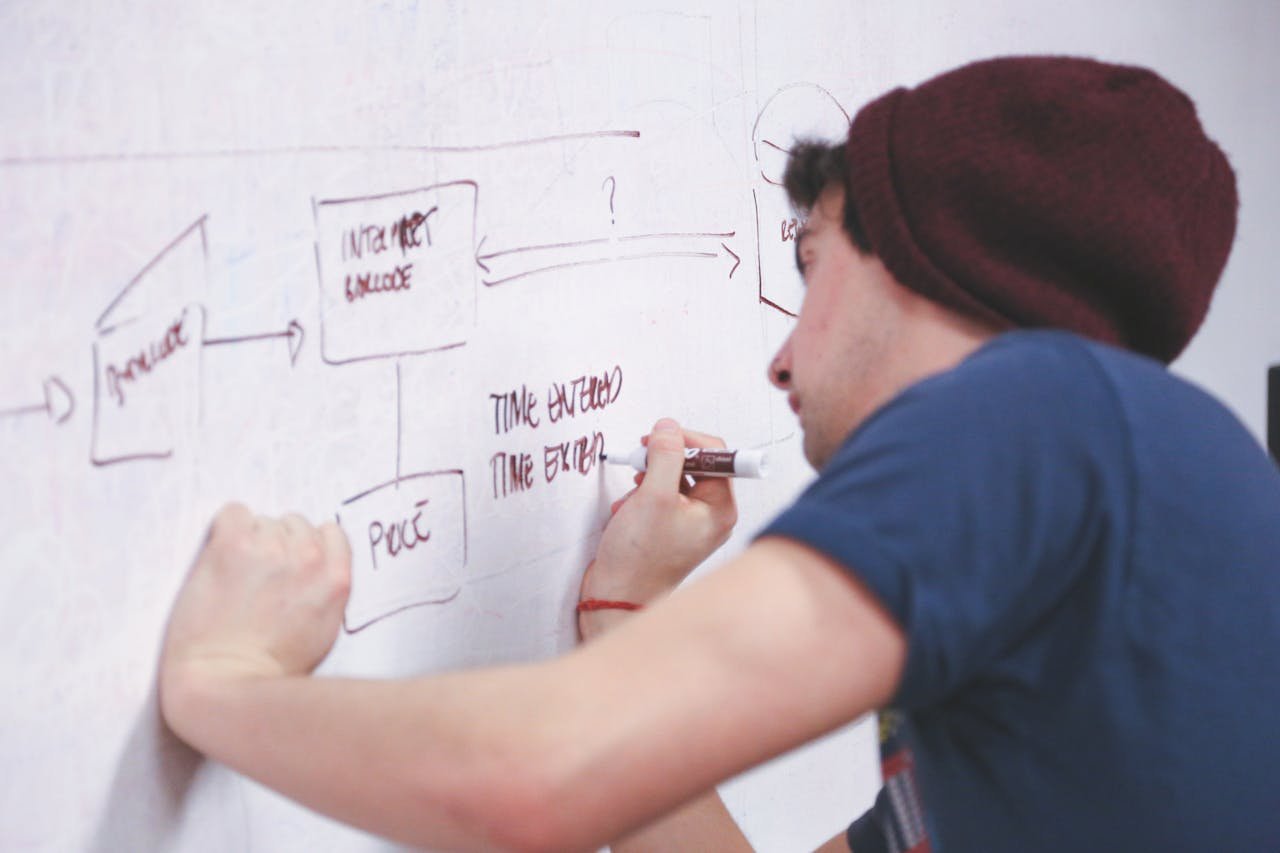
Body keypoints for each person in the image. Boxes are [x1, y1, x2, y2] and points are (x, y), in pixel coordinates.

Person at [159, 56, 1280, 852]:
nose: (779, 362)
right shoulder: (1116, 549)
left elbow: (534, 781)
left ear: (922, 256)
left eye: (809, 263)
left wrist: (222, 684)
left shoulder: (1038, 409)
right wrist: (621, 611)